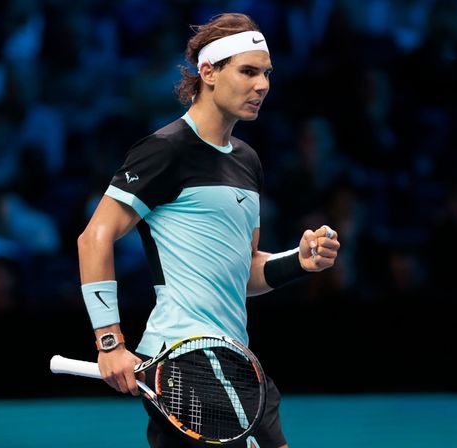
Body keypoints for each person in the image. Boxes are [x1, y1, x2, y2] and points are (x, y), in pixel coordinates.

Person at [77, 13, 341, 448]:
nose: (262, 85)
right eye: (248, 71)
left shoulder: (247, 161)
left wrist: (299, 262)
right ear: (209, 72)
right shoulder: (164, 150)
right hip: (187, 359)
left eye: (267, 74)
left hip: (235, 360)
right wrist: (109, 342)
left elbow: (246, 274)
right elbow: (95, 237)